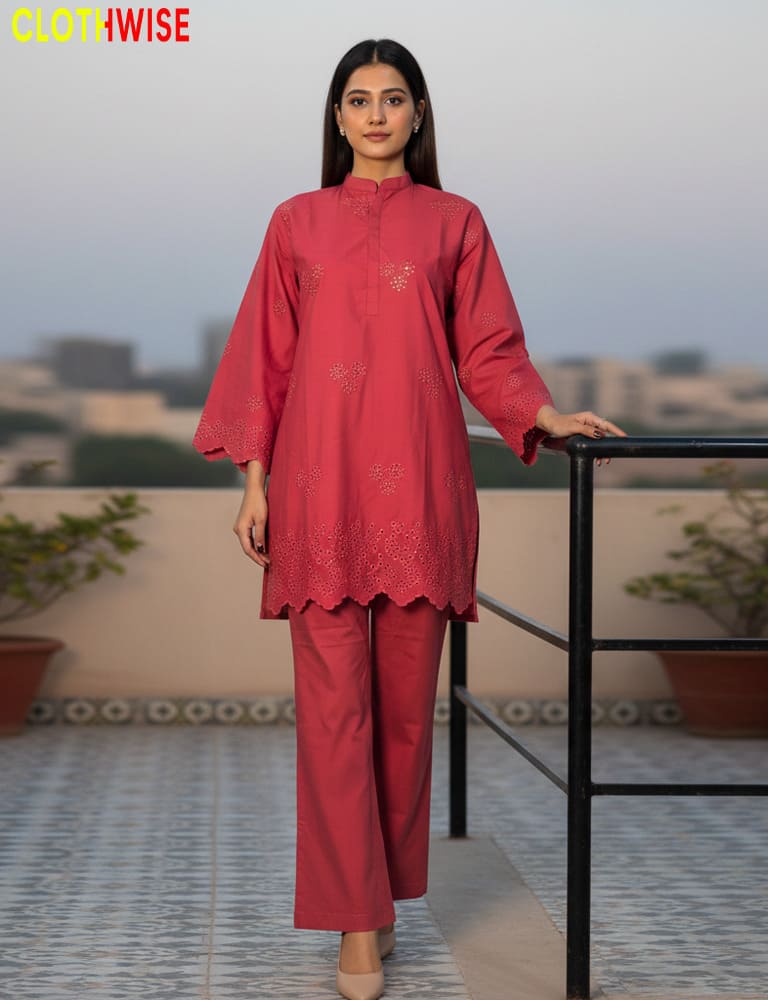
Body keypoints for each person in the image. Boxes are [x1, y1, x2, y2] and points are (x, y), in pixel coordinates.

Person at [193, 37, 625, 1000]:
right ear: (337, 117)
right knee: (333, 717)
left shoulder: (456, 222)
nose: (377, 113)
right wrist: (254, 484)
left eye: (395, 98)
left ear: (419, 114)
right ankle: (355, 922)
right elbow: (262, 358)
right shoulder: (295, 222)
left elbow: (491, 350)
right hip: (314, 493)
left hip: (422, 494)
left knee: (401, 723)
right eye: (359, 99)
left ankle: (380, 899)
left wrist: (544, 416)